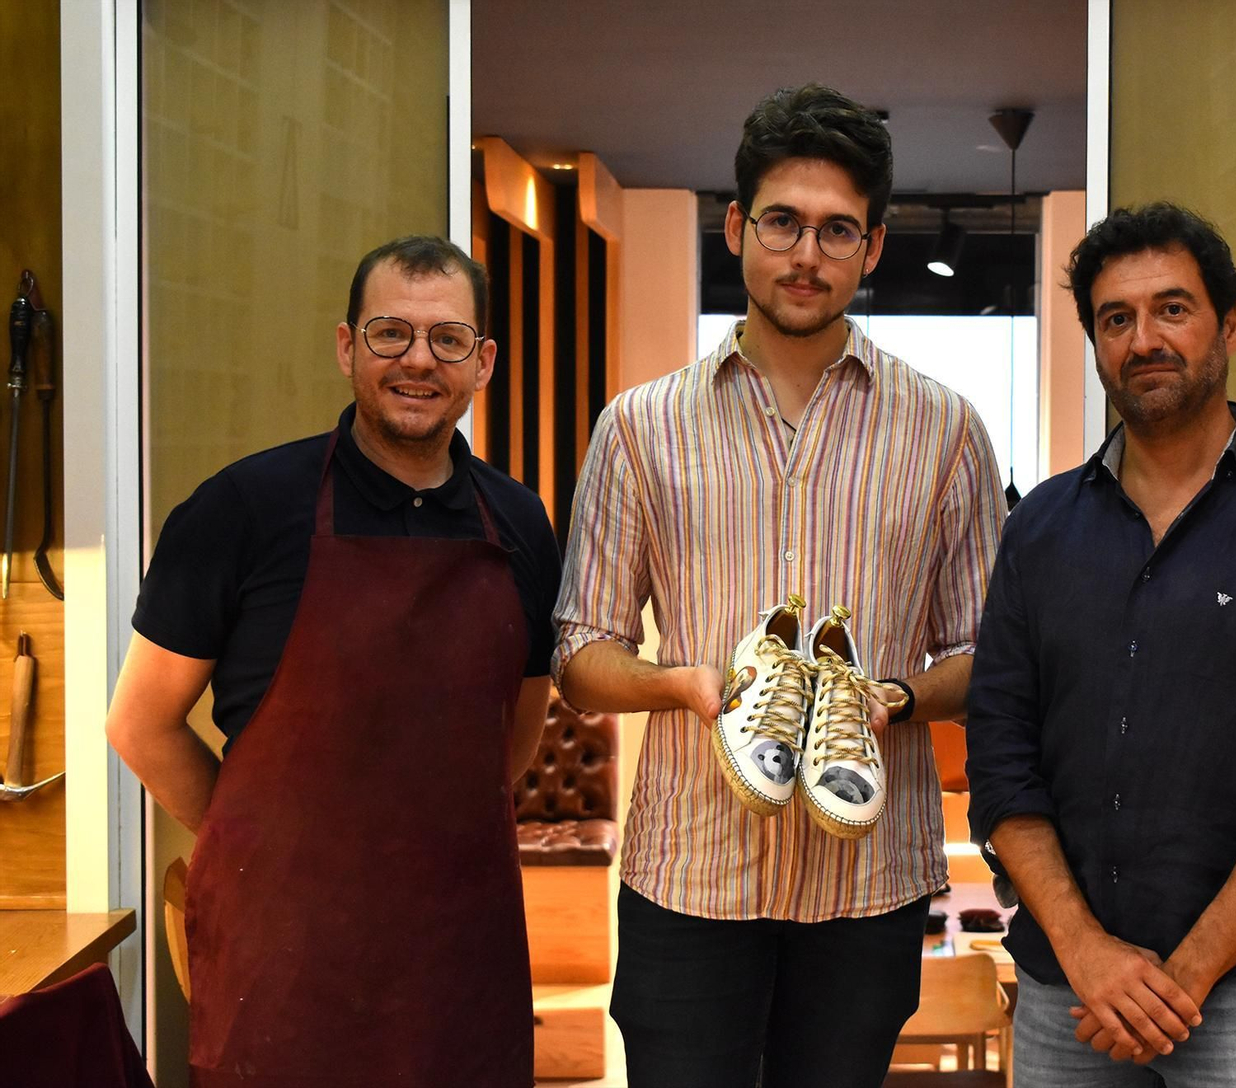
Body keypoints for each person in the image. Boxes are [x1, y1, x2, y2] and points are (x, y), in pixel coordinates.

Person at [553, 83, 1006, 1088]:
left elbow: (987, 655)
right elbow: (581, 654)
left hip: (867, 883)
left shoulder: (944, 431)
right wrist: (682, 685)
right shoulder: (639, 427)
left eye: (837, 230)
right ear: (736, 228)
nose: (807, 254)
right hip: (690, 873)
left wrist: (896, 697)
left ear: (872, 246)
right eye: (782, 222)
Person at [105, 236, 561, 1087]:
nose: (418, 360)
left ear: (484, 362)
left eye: (448, 339)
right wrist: (258, 846)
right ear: (348, 347)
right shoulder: (240, 510)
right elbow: (140, 723)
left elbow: (518, 733)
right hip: (282, 967)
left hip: (458, 962)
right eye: (391, 333)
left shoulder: (521, 524)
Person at [965, 203, 1236, 1088]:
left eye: (1172, 309)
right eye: (1116, 319)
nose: (1144, 339)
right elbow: (1002, 754)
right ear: (1096, 343)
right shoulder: (1038, 531)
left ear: (1229, 325)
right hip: (1069, 992)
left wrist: (1184, 977)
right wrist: (1087, 952)